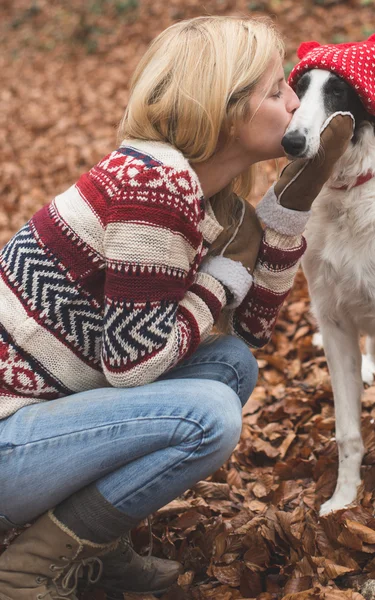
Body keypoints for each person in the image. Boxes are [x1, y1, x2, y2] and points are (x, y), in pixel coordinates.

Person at [0, 16, 354, 600]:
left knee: (232, 364)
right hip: (12, 442)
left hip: (40, 425)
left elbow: (253, 328)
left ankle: (99, 548)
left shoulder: (203, 192)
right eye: (275, 91)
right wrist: (217, 282)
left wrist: (290, 207)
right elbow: (133, 366)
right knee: (208, 415)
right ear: (224, 109)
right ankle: (26, 569)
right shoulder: (153, 186)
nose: (295, 102)